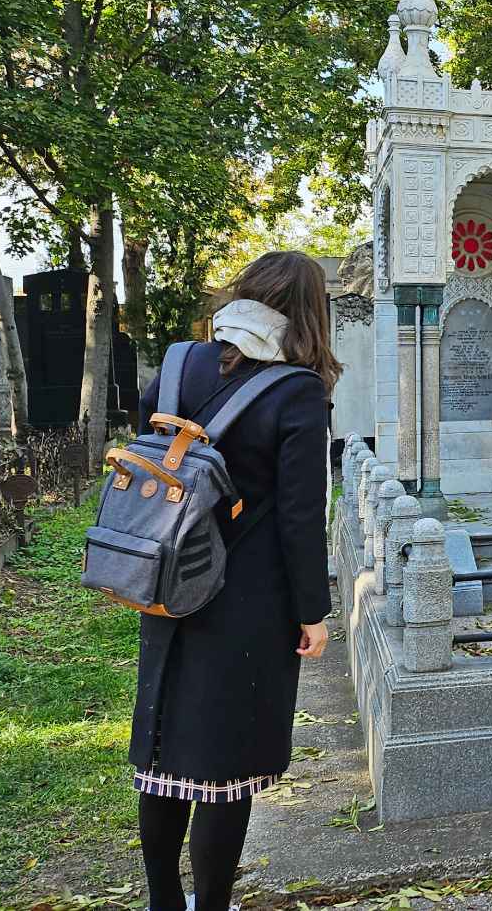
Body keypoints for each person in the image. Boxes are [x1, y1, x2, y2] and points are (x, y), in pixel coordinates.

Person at [129, 252, 337, 911]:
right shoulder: (298, 389)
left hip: (164, 579)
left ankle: (165, 902)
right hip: (246, 601)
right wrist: (313, 612)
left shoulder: (181, 362)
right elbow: (301, 517)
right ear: (309, 311)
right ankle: (211, 905)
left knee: (163, 756)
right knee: (226, 767)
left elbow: (147, 452)